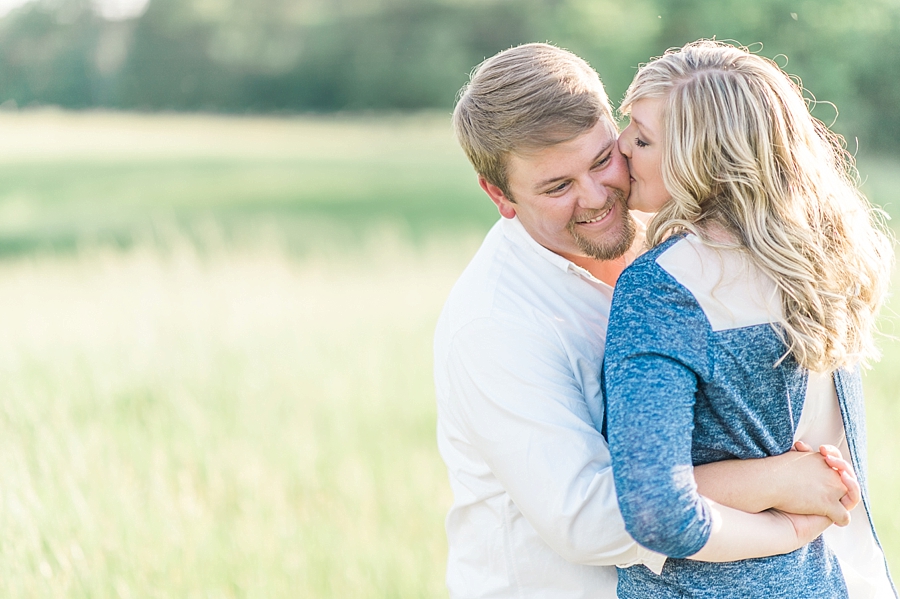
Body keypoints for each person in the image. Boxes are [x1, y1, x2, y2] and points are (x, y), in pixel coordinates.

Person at [435, 42, 861, 599]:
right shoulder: (493, 322)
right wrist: (782, 506)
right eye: (558, 187)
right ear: (500, 195)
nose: (596, 197)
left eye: (599, 160)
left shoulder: (686, 249)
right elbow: (586, 519)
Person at [605, 40, 897, 598]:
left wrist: (784, 526)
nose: (620, 148)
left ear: (700, 161)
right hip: (828, 579)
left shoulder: (664, 288)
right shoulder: (820, 265)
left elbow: (656, 511)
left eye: (642, 138)